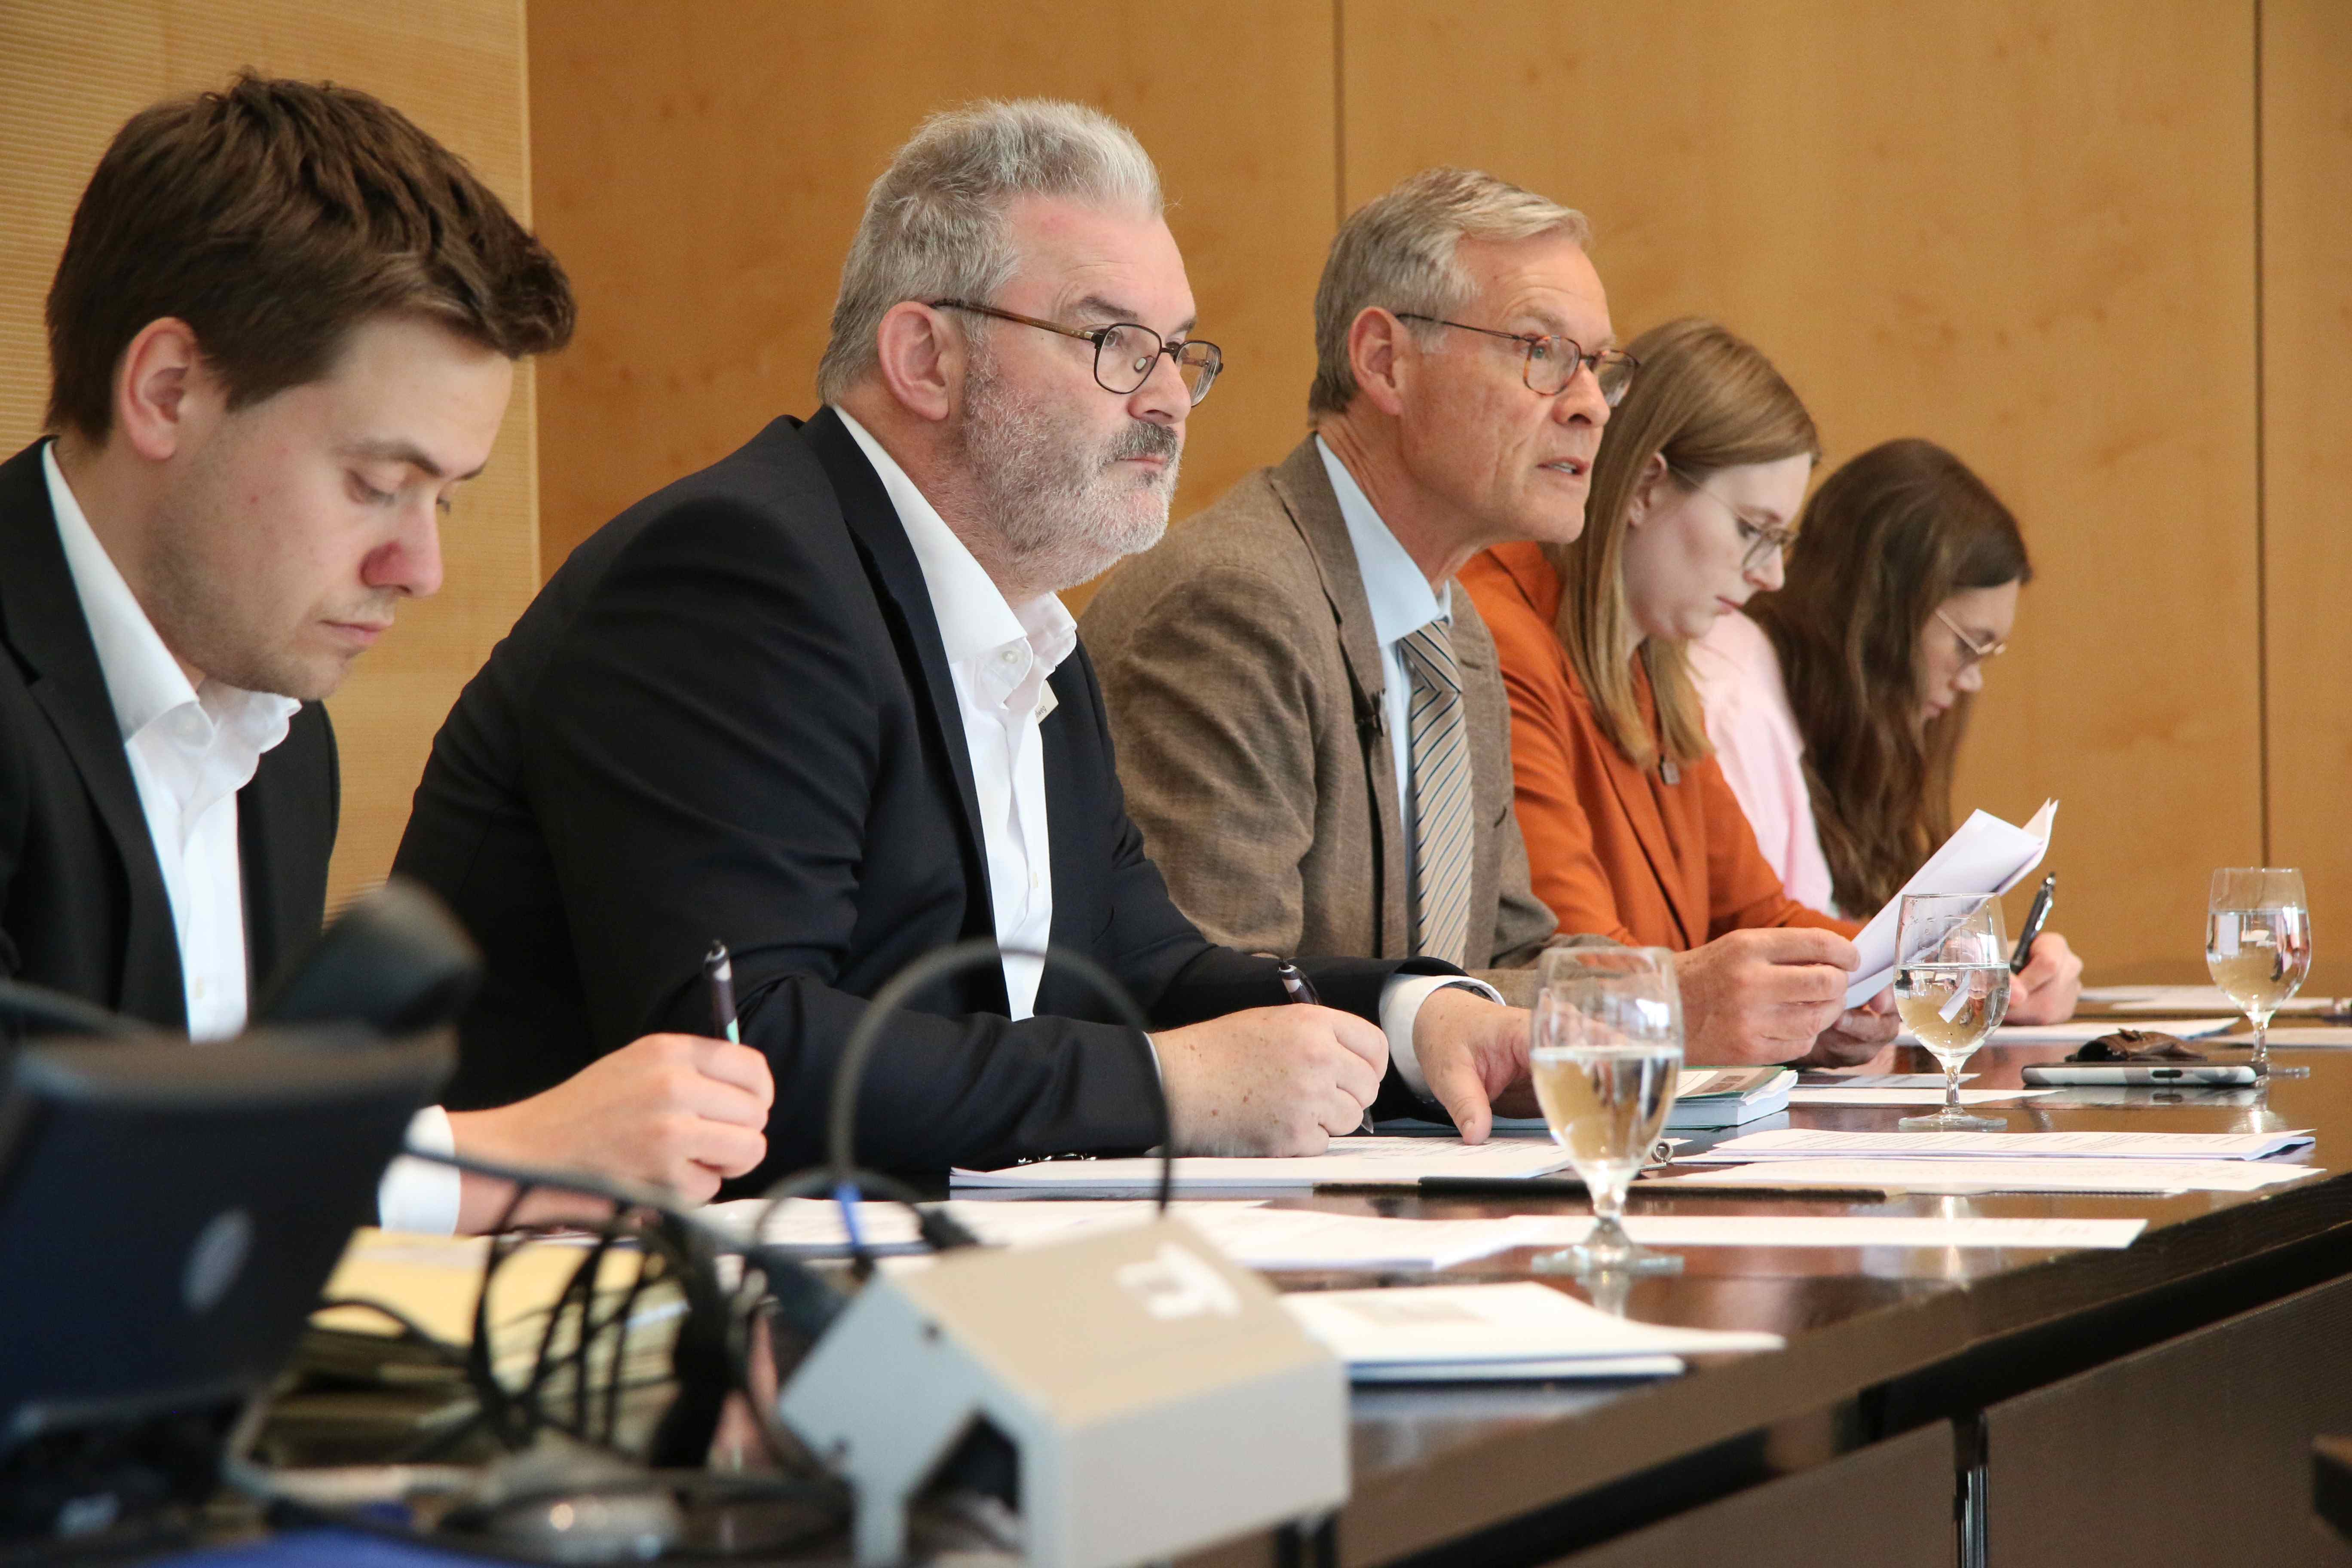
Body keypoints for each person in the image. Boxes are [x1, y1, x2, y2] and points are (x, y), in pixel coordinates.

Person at [391, 100, 1534, 1183]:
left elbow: (1141, 969)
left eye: (1177, 350)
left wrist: (1409, 1014)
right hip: (579, 1320)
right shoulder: (738, 575)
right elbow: (747, 1053)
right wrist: (1162, 1085)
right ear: (925, 359)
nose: (1171, 400)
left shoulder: (1031, 633)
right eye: (1113, 342)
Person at [0, 74, 775, 1234]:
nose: (419, 569)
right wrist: (506, 1159)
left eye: (445, 503)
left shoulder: (282, 736)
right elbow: (49, 1180)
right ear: (169, 393)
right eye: (376, 486)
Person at [1083, 168, 1579, 1009]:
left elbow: (1506, 953)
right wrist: (1665, 1005)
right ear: (1385, 362)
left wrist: (1696, 1004)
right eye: (1542, 353)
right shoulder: (1231, 607)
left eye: (1597, 366)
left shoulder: (1455, 628)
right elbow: (1224, 1007)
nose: (1592, 404)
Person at [1460, 318, 1900, 1061]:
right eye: (1753, 532)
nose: (1772, 577)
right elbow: (1580, 965)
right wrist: (1782, 1006)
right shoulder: (1500, 640)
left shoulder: (1655, 668)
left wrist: (1924, 971)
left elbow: (1758, 916)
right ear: (1646, 487)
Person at [1693, 437, 2083, 1016]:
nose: (1971, 681)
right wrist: (1959, 986)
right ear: (1880, 616)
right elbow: (1788, 974)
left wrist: (1994, 970)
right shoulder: (1735, 703)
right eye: (1968, 646)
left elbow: (1853, 954)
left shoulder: (1826, 718)